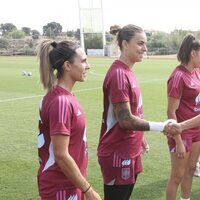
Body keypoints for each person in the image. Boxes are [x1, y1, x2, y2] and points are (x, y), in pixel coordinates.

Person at [97, 24, 173, 200]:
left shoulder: (128, 72)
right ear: (125, 44)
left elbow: (134, 114)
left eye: (145, 44)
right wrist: (163, 126)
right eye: (140, 43)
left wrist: (141, 138)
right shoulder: (118, 75)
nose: (144, 48)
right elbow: (125, 120)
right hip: (117, 151)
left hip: (130, 148)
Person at [36, 39, 101, 200]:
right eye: (84, 61)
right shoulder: (61, 102)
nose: (88, 66)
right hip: (61, 187)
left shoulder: (62, 97)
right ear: (67, 65)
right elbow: (61, 155)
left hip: (68, 183)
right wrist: (88, 190)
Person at [166, 34, 200, 200]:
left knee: (191, 169)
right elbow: (171, 112)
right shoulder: (178, 76)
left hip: (197, 130)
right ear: (193, 53)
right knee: (177, 176)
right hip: (182, 132)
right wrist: (178, 141)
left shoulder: (197, 72)